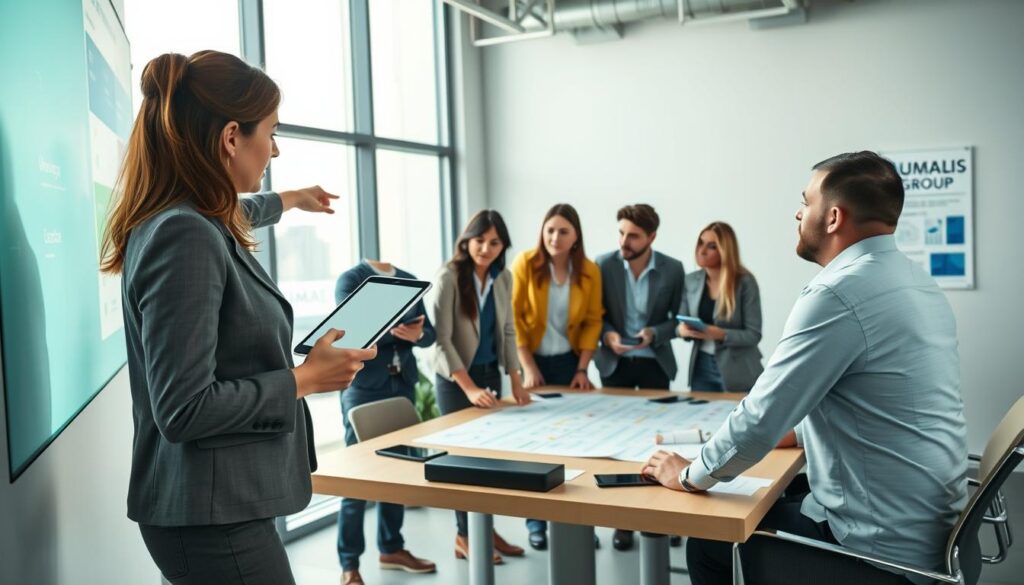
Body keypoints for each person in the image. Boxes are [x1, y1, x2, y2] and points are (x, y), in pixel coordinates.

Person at [100, 51, 377, 585]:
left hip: (211, 506)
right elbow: (183, 409)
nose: (274, 149)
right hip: (210, 517)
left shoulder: (182, 217)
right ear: (231, 137)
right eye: (270, 133)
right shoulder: (186, 236)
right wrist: (304, 380)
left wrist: (292, 200)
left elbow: (238, 212)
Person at [642, 151, 969, 585]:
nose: (798, 212)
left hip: (879, 551)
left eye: (806, 201)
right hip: (930, 532)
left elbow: (758, 420)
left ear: (833, 217)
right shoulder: (915, 280)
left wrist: (686, 475)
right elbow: (877, 398)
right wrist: (797, 432)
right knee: (780, 490)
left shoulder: (837, 293)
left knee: (707, 542)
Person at [431, 209, 529, 564]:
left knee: (487, 459)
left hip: (490, 373)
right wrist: (470, 388)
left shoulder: (503, 278)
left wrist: (516, 379)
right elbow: (441, 341)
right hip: (457, 381)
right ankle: (464, 535)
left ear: (503, 246)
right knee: (462, 461)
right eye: (479, 240)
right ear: (466, 240)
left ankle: (485, 531)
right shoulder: (449, 276)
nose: (485, 248)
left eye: (494, 242)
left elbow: (507, 330)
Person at [334, 260, 437, 584]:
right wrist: (400, 335)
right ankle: (349, 565)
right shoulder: (353, 279)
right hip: (363, 388)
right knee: (357, 477)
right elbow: (349, 333)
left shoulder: (408, 279)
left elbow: (429, 334)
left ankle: (392, 548)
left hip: (402, 384)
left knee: (399, 470)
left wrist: (417, 334)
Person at [511, 203, 603, 551]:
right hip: (532, 362)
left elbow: (593, 320)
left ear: (576, 235)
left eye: (563, 231)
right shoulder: (526, 263)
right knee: (535, 446)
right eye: (550, 230)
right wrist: (528, 366)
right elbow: (515, 317)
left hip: (569, 363)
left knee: (576, 444)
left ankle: (578, 519)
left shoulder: (590, 271)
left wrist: (583, 368)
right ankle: (536, 522)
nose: (555, 237)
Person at [594, 203, 685, 551]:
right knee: (616, 445)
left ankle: (661, 518)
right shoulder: (603, 265)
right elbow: (595, 313)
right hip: (614, 364)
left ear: (652, 237)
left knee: (656, 445)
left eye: (632, 235)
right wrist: (608, 336)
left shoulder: (673, 269)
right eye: (620, 232)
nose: (624, 241)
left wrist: (654, 334)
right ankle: (623, 523)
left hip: (653, 363)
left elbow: (678, 320)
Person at [676, 222, 764, 392]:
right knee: (700, 417)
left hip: (738, 368)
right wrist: (682, 331)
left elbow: (753, 335)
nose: (702, 250)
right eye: (701, 243)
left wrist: (720, 334)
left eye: (712, 246)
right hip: (701, 366)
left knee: (736, 416)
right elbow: (679, 324)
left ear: (725, 251)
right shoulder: (691, 280)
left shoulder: (745, 282)